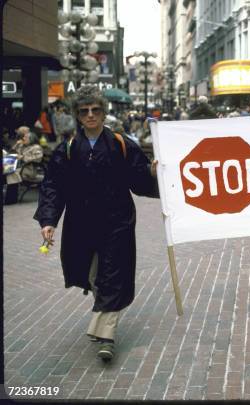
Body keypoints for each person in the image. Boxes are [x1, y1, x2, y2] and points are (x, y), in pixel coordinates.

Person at [34, 85, 159, 362]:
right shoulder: (67, 148)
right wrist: (48, 219)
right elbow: (54, 185)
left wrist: (151, 172)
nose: (90, 115)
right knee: (93, 276)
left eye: (96, 110)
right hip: (82, 223)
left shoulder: (121, 143)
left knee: (113, 275)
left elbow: (139, 177)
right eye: (84, 111)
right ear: (78, 116)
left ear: (103, 112)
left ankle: (106, 337)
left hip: (118, 221)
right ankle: (104, 319)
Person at [4, 126, 44, 204]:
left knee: (12, 173)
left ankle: (11, 199)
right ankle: (10, 197)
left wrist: (23, 157)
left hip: (28, 170)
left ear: (31, 139)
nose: (23, 139)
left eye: (26, 137)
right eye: (24, 137)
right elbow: (10, 154)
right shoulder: (22, 146)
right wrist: (16, 144)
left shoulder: (36, 147)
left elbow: (38, 158)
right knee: (8, 172)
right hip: (19, 168)